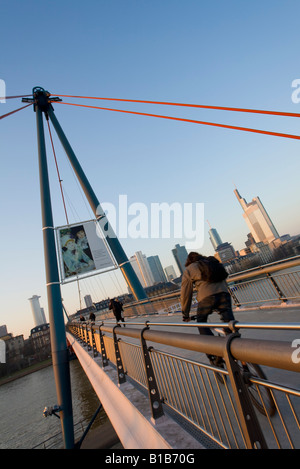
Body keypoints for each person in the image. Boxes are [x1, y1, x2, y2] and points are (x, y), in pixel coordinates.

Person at [181, 252, 235, 363]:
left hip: (206, 299)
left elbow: (186, 293)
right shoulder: (211, 263)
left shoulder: (189, 269)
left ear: (189, 261)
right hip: (224, 294)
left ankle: (213, 353)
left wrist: (185, 314)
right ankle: (237, 350)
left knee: (202, 323)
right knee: (229, 324)